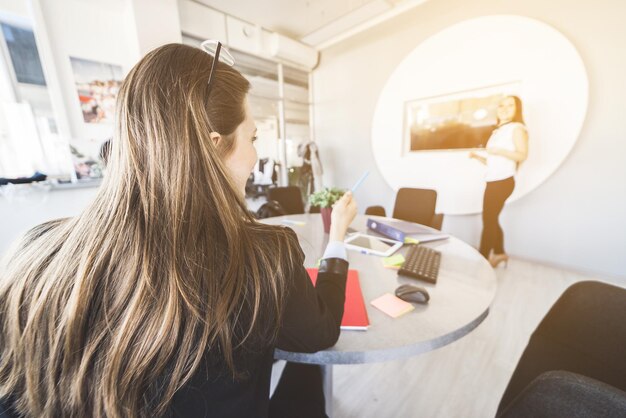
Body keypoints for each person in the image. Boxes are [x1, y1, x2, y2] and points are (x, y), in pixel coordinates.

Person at [0, 43, 357, 418]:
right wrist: (337, 242)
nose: (255, 156)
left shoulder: (33, 254)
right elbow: (320, 332)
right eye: (252, 139)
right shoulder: (267, 257)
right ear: (214, 146)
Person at [469, 96, 528, 267]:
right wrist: (477, 157)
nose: (505, 108)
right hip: (493, 180)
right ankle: (500, 253)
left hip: (503, 182)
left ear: (517, 109)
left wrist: (500, 150)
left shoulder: (517, 128)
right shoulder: (498, 131)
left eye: (510, 105)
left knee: (488, 221)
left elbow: (522, 155)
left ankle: (483, 260)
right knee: (491, 219)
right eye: (502, 105)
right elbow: (493, 161)